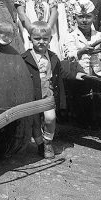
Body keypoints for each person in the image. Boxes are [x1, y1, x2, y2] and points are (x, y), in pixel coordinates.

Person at [21, 22, 62, 159]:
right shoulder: (24, 59)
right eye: (37, 38)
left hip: (48, 92)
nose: (41, 42)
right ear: (30, 39)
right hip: (32, 93)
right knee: (35, 121)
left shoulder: (54, 57)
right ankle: (40, 144)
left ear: (50, 39)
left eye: (45, 39)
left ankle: (48, 141)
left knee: (50, 118)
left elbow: (59, 76)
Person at [63, 0, 101, 77]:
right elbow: (68, 57)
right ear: (75, 17)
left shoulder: (98, 35)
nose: (84, 20)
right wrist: (81, 52)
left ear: (94, 18)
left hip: (98, 74)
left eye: (88, 17)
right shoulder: (71, 36)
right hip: (80, 75)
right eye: (80, 17)